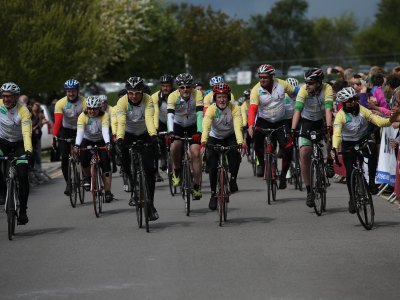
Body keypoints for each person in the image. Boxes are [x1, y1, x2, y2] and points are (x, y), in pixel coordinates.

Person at [331, 87, 392, 213]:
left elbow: (377, 121)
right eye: (349, 100)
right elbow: (336, 134)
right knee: (349, 172)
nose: (353, 102)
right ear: (343, 103)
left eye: (355, 99)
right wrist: (335, 148)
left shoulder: (362, 110)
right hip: (348, 144)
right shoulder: (340, 116)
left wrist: (390, 120)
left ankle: (371, 181)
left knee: (372, 147)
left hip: (363, 140)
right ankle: (352, 198)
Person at [115, 76, 159, 221]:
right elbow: (121, 122)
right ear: (127, 92)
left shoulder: (148, 99)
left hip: (144, 133)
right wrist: (120, 139)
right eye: (131, 93)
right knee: (125, 163)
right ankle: (134, 189)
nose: (134, 96)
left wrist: (153, 135)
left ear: (142, 92)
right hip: (127, 133)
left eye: (137, 93)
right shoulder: (122, 102)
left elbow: (149, 118)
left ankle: (150, 205)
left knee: (149, 170)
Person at [247, 64, 298, 189]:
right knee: (257, 142)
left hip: (281, 121)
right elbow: (252, 108)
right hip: (264, 120)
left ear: (272, 76)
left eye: (265, 77)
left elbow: (296, 92)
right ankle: (262, 164)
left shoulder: (281, 84)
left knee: (288, 147)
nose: (262, 80)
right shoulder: (255, 89)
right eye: (260, 77)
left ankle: (283, 176)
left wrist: (307, 92)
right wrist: (250, 125)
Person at [291, 68, 335, 207]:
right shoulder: (303, 90)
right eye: (306, 82)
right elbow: (297, 111)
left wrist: (329, 127)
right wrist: (293, 129)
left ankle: (328, 162)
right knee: (304, 152)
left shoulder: (327, 88)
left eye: (310, 83)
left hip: (322, 119)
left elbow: (328, 110)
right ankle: (309, 191)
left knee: (329, 135)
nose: (307, 85)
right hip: (307, 121)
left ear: (318, 83)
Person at [201, 83, 244, 210]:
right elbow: (206, 127)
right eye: (219, 97)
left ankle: (233, 179)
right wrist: (204, 141)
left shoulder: (234, 108)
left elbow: (237, 126)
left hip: (229, 136)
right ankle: (213, 194)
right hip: (214, 137)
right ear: (215, 98)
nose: (222, 100)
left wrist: (240, 142)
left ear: (229, 97)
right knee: (213, 166)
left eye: (224, 97)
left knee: (235, 153)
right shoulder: (211, 109)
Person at [167, 73, 203, 199]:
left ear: (192, 86)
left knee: (196, 152)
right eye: (182, 87)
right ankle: (176, 169)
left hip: (193, 125)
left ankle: (197, 185)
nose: (185, 89)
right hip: (178, 125)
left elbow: (199, 114)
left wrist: (199, 131)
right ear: (178, 88)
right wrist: (171, 132)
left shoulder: (197, 94)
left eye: (188, 86)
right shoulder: (172, 96)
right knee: (174, 146)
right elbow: (170, 115)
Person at [0, 83, 32, 224]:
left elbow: (26, 133)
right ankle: (3, 192)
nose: (6, 99)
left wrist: (28, 150)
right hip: (3, 141)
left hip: (20, 143)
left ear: (16, 97)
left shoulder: (23, 111)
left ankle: (23, 210)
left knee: (23, 175)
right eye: (4, 96)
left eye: (9, 96)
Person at [75, 96, 113, 202]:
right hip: (87, 139)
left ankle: (108, 191)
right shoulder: (82, 116)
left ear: (99, 108)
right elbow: (80, 132)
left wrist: (108, 143)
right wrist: (77, 145)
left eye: (95, 109)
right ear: (86, 108)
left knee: (105, 164)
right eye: (90, 108)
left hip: (101, 140)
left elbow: (105, 131)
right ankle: (87, 177)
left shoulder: (104, 115)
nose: (92, 111)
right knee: (83, 159)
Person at [53, 79, 86, 195]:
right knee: (64, 158)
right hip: (65, 130)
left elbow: (87, 119)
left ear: (78, 91)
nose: (71, 94)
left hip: (80, 129)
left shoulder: (84, 102)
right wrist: (55, 136)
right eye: (68, 91)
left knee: (83, 154)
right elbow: (57, 122)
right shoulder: (60, 103)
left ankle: (86, 176)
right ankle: (68, 183)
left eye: (73, 91)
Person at [152, 74, 175, 181]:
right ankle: (157, 170)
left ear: (172, 86)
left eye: (168, 85)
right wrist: (155, 129)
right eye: (163, 85)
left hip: (175, 121)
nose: (165, 88)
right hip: (160, 122)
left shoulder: (176, 95)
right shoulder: (155, 97)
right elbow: (155, 113)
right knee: (157, 144)